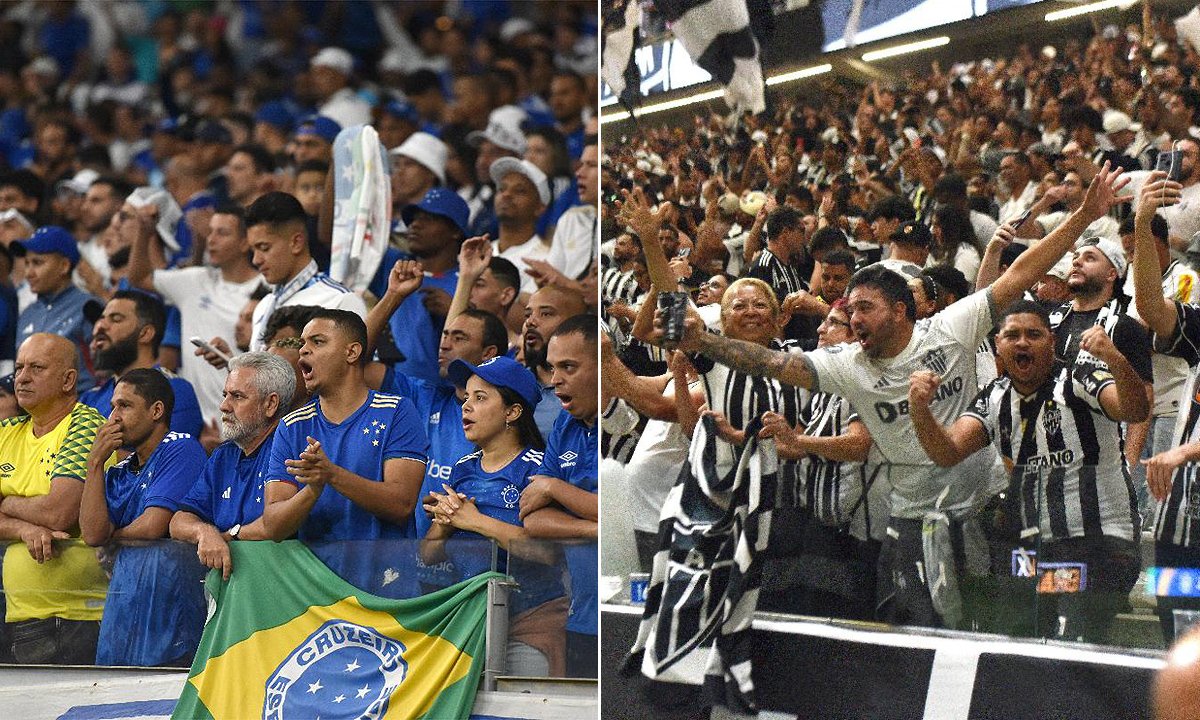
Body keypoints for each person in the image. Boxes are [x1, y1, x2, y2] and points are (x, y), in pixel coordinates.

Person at [651, 163, 1131, 628]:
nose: (853, 318)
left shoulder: (947, 330)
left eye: (865, 307)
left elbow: (1022, 273)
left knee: (987, 629)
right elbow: (775, 363)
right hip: (908, 519)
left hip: (978, 511)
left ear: (901, 310)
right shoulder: (847, 365)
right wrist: (705, 342)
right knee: (911, 634)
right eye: (849, 309)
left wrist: (1084, 217)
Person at [908, 301, 1146, 642]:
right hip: (1031, 547)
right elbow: (947, 452)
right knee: (1018, 642)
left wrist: (1116, 360)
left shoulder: (1079, 377)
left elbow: (1134, 410)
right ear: (999, 346)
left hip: (1099, 540)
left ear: (1051, 342)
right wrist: (919, 409)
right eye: (1012, 335)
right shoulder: (994, 397)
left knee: (1074, 642)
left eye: (1033, 335)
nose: (1022, 343)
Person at [262, 310, 428, 592]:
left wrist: (331, 475)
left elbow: (401, 504)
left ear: (352, 352)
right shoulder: (292, 426)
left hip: (386, 591)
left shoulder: (397, 412)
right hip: (314, 597)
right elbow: (274, 525)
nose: (304, 350)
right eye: (303, 343)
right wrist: (312, 491)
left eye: (317, 341)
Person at [421, 355, 567, 676]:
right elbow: (429, 554)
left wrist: (473, 521)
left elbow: (547, 552)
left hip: (528, 623)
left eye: (481, 398)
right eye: (467, 397)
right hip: (471, 623)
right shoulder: (462, 469)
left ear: (512, 413)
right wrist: (444, 524)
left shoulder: (538, 469)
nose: (466, 406)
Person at [80, 369, 207, 667]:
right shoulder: (121, 469)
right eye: (112, 407)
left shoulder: (181, 447)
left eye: (124, 406)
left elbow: (153, 526)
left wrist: (115, 538)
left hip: (171, 609)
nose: (113, 417)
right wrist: (95, 463)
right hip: (124, 608)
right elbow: (92, 534)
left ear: (156, 411)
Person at [0, 334, 108, 664]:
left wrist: (5, 503)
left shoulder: (83, 424)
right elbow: (44, 515)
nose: (22, 377)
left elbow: (60, 512)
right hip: (19, 614)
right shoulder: (7, 432)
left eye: (36, 368)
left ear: (68, 380)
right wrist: (24, 530)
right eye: (19, 368)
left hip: (77, 618)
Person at [170, 352, 296, 579]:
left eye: (237, 396)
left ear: (270, 404)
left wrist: (231, 535)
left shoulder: (291, 450)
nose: (224, 406)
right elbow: (178, 520)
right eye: (225, 395)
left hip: (283, 590)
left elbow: (276, 524)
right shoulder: (223, 456)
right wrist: (204, 531)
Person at [521, 315, 599, 678]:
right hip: (580, 619)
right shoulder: (564, 425)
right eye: (552, 368)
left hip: (620, 611)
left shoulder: (626, 423)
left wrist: (554, 488)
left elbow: (612, 512)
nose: (555, 381)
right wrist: (591, 528)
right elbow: (532, 518)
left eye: (569, 367)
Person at [236, 192, 366, 355]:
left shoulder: (340, 301)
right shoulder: (263, 306)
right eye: (253, 250)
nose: (256, 260)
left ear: (296, 242)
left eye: (264, 248)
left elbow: (360, 374)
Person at [80, 290, 203, 437]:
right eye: (101, 319)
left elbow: (171, 456)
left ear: (145, 334)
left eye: (116, 319)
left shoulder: (174, 390)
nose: (100, 326)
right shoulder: (89, 399)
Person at [13, 226, 99, 390]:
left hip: (81, 407)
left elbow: (104, 370)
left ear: (64, 266)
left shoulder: (89, 307)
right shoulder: (27, 313)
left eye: (37, 263)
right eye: (27, 263)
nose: (29, 273)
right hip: (34, 410)